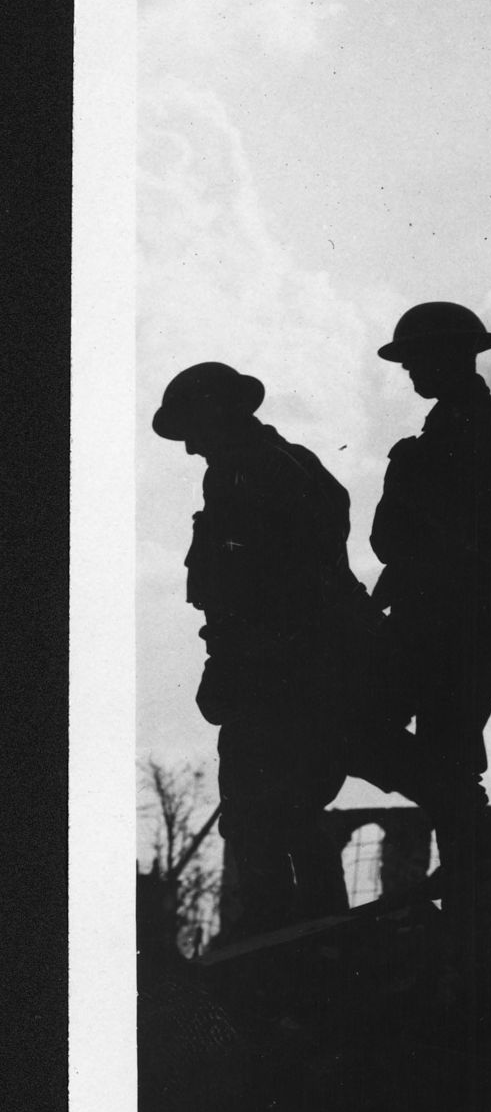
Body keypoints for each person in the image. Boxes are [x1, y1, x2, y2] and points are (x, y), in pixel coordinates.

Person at [153, 362, 374, 940]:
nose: (190, 447)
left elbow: (272, 587)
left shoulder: (253, 473)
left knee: (262, 810)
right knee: (282, 808)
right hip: (289, 662)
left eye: (192, 431)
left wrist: (236, 663)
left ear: (217, 416)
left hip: (282, 668)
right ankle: (307, 931)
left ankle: (277, 938)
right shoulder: (272, 466)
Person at [370, 301, 491, 893]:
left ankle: (470, 864)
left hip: (460, 626)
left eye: (417, 359)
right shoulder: (455, 430)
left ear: (453, 357)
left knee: (425, 745)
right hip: (442, 622)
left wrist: (485, 605)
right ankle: (469, 850)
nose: (410, 371)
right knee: (418, 746)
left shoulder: (481, 432)